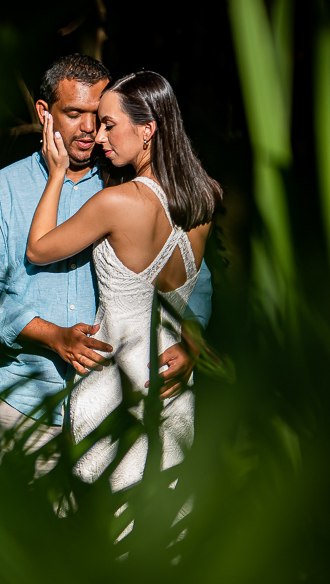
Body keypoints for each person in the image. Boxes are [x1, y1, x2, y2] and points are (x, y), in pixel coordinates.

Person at [0, 55, 212, 475]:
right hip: (27, 405)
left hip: (116, 408)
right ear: (45, 113)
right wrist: (52, 336)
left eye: (99, 116)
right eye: (74, 113)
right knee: (17, 537)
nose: (89, 128)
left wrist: (191, 339)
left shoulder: (125, 183)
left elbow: (193, 278)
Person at [25, 70, 220, 491]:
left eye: (109, 125)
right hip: (172, 384)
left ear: (147, 130)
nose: (98, 138)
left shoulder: (115, 202)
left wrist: (57, 172)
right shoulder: (205, 197)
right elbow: (195, 288)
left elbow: (38, 249)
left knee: (107, 530)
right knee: (165, 527)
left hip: (115, 386)